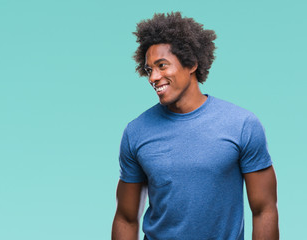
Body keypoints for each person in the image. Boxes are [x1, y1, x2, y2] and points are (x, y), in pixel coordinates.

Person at [111, 12, 279, 240]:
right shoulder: (136, 132)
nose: (153, 77)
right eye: (150, 70)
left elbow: (264, 209)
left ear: (191, 64)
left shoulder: (242, 125)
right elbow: (126, 217)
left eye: (162, 65)